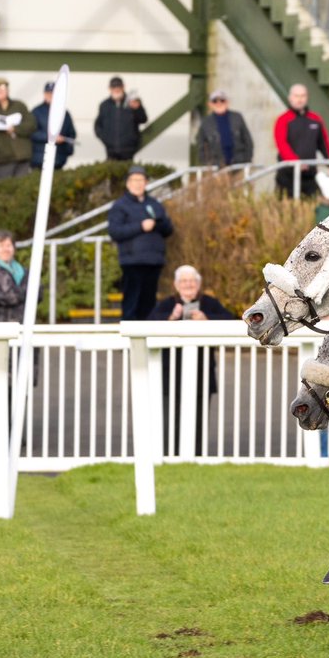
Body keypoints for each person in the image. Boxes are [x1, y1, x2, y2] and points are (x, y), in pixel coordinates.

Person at [147, 265, 235, 456]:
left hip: (201, 372)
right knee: (171, 418)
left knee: (199, 418)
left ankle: (196, 457)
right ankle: (169, 456)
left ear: (199, 284)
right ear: (176, 285)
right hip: (171, 373)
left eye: (192, 281)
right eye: (184, 281)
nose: (188, 285)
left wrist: (207, 319)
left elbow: (231, 320)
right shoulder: (166, 304)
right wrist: (172, 317)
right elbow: (149, 323)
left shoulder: (209, 303)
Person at [108, 165, 174, 321]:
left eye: (141, 180)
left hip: (154, 261)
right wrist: (140, 226)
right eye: (134, 180)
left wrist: (157, 224)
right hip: (132, 262)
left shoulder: (154, 204)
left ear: (146, 182)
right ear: (127, 183)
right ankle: (129, 342)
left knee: (149, 304)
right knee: (131, 303)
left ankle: (148, 341)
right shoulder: (120, 206)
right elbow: (115, 231)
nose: (138, 184)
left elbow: (168, 229)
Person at [273, 84, 329, 198]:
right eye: (296, 96)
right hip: (288, 175)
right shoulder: (283, 120)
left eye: (302, 96)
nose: (299, 99)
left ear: (307, 98)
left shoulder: (315, 119)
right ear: (290, 98)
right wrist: (296, 162)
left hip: (310, 176)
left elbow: (324, 144)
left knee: (312, 209)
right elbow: (281, 144)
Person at [0, 77, 36, 179]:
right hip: (2, 158)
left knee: (22, 187)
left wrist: (15, 128)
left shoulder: (19, 106)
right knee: (4, 188)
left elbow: (31, 124)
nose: (0, 91)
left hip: (22, 155)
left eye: (3, 88)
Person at [195, 90, 253, 168]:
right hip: (216, 168)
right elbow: (200, 145)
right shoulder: (206, 122)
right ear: (210, 104)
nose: (219, 103)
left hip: (238, 165)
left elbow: (248, 141)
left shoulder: (237, 117)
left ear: (227, 102)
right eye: (215, 101)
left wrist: (247, 160)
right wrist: (208, 165)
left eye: (222, 100)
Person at [94, 76, 147, 161]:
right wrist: (105, 139)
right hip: (110, 150)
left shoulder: (133, 102)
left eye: (119, 87)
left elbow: (143, 119)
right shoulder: (104, 105)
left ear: (123, 87)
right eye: (114, 87)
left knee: (127, 172)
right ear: (110, 88)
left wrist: (137, 108)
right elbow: (98, 125)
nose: (116, 89)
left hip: (129, 150)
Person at [30, 81, 75, 171]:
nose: (51, 95)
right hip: (40, 158)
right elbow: (32, 132)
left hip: (59, 158)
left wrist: (67, 146)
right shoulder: (36, 111)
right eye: (49, 93)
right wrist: (50, 137)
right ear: (45, 94)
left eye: (53, 93)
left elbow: (71, 133)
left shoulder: (65, 113)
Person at [0, 230, 27, 323]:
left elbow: (38, 292)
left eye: (9, 245)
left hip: (20, 323)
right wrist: (27, 292)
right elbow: (9, 296)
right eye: (1, 246)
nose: (6, 249)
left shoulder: (20, 269)